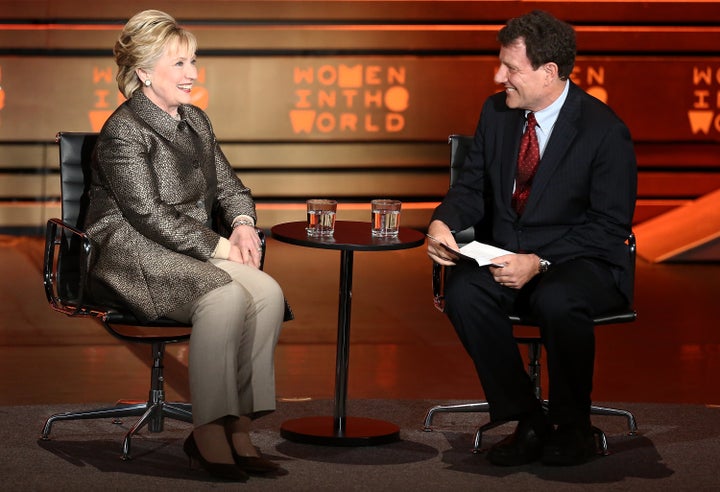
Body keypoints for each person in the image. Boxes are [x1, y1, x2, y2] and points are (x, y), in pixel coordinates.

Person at [427, 10, 637, 467]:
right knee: (463, 291)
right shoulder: (496, 112)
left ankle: (572, 425)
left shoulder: (604, 131)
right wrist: (443, 222)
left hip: (581, 260)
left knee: (558, 300)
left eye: (511, 68)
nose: (499, 75)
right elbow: (471, 188)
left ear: (549, 73)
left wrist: (538, 260)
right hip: (504, 253)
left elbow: (609, 226)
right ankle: (527, 418)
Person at [84, 10, 287, 481]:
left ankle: (240, 424)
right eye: (178, 63)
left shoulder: (195, 119)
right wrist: (221, 247)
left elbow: (232, 186)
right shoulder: (124, 130)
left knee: (267, 291)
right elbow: (147, 215)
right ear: (144, 71)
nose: (192, 73)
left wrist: (239, 223)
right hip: (130, 250)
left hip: (187, 247)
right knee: (225, 294)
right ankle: (209, 430)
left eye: (193, 60)